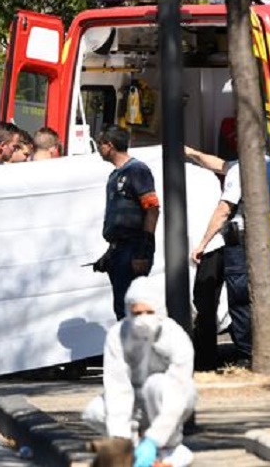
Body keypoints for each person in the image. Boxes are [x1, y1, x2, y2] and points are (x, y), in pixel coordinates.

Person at [81, 278, 197, 467]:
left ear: (159, 310)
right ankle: (133, 448)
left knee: (158, 385)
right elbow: (117, 386)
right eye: (137, 313)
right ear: (128, 311)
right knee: (95, 411)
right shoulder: (118, 335)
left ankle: (168, 447)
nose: (142, 318)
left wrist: (154, 439)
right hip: (136, 401)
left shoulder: (175, 336)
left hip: (168, 399)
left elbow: (179, 388)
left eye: (149, 312)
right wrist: (121, 440)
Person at [186, 146, 270, 363]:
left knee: (239, 296)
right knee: (254, 291)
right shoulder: (267, 163)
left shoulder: (241, 171)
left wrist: (202, 243)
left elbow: (223, 211)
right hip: (259, 234)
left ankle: (247, 354)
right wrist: (192, 153)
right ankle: (257, 350)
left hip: (239, 236)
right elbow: (220, 164)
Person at [91, 126, 160, 320]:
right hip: (120, 249)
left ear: (109, 146)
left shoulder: (137, 171)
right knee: (122, 308)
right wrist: (110, 253)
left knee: (133, 309)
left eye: (100, 145)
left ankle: (141, 349)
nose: (98, 149)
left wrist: (143, 251)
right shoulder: (115, 175)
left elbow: (152, 209)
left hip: (134, 247)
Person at [183, 146, 226, 371]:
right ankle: (207, 359)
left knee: (203, 304)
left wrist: (201, 244)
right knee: (208, 305)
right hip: (215, 247)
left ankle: (203, 360)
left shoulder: (193, 178)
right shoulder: (207, 177)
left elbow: (221, 212)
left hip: (205, 247)